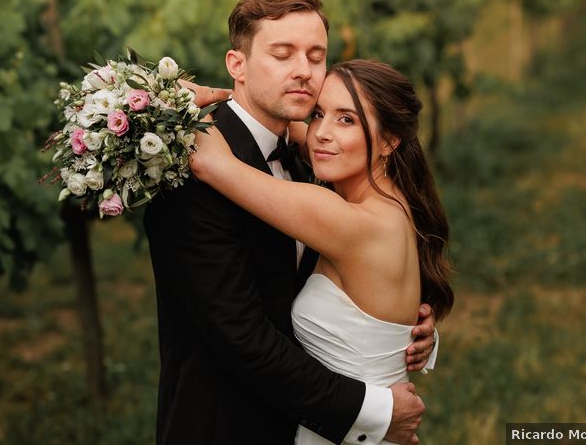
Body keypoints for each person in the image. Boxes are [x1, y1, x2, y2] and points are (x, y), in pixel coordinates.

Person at [144, 0, 438, 445]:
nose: (304, 71)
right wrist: (376, 412)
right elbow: (241, 339)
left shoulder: (315, 157)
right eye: (283, 54)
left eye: (316, 55)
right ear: (236, 65)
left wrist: (398, 328)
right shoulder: (189, 172)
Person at [190, 58, 454, 444]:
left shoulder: (346, 221)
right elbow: (294, 129)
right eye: (318, 114)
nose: (321, 134)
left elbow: (210, 162)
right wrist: (241, 94)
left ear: (389, 140)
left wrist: (175, 101)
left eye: (346, 119)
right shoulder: (393, 205)